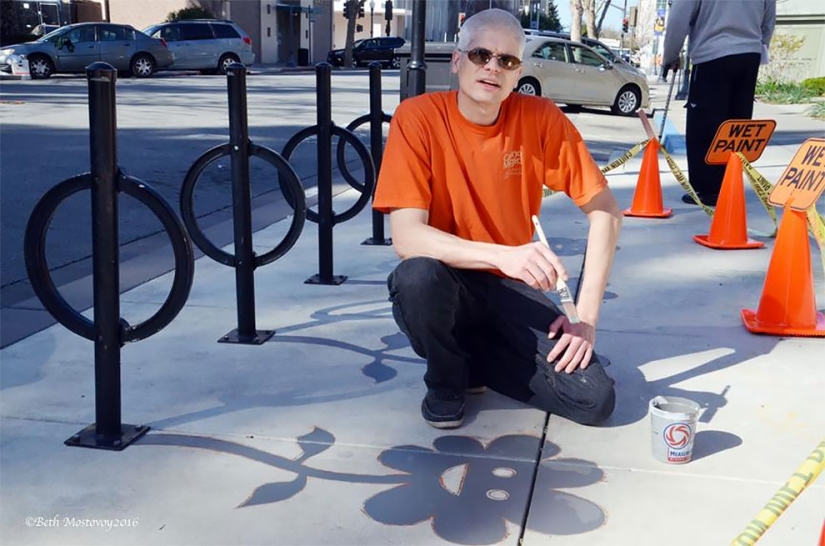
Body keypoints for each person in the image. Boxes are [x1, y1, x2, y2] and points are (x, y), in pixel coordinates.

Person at [373, 9, 622, 429]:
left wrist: (585, 319)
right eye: (480, 54)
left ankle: (469, 357)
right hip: (444, 278)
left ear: (517, 72)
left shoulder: (541, 118)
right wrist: (505, 254)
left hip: (508, 287)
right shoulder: (417, 117)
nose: (492, 67)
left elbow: (607, 214)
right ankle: (446, 378)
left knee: (593, 400)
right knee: (417, 277)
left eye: (506, 61)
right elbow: (406, 236)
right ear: (457, 61)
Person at [663, 0, 776, 207]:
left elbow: (679, 18)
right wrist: (758, 47)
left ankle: (707, 189)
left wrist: (670, 55)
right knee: (737, 125)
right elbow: (768, 22)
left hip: (711, 54)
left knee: (704, 125)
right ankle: (728, 184)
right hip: (749, 55)